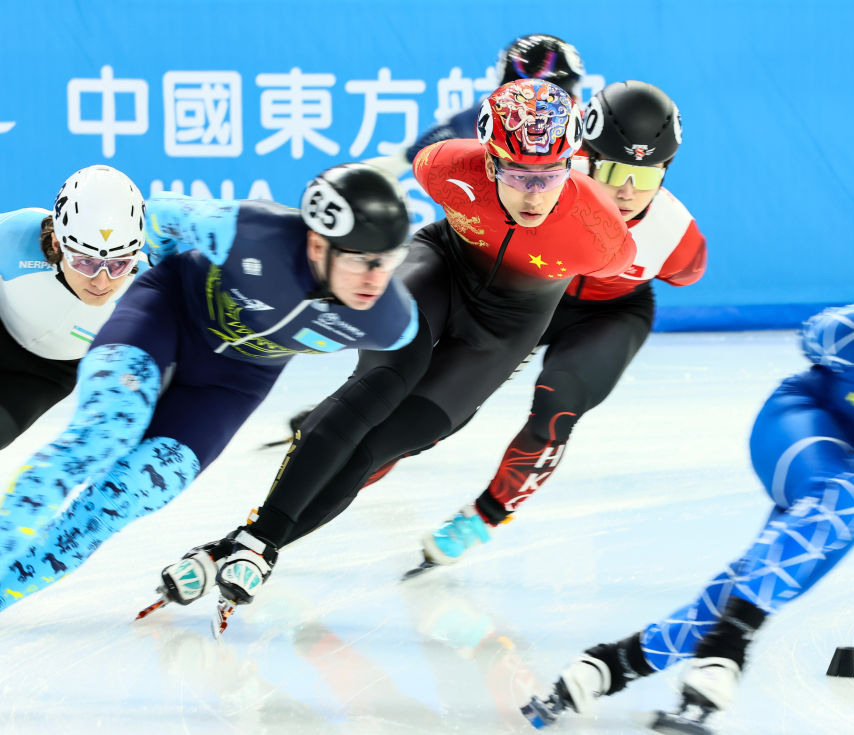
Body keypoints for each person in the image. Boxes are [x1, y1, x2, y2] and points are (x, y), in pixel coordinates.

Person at [151, 78, 638, 634]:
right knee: (383, 380)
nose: (533, 194)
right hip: (440, 270)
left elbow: (624, 285)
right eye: (516, 175)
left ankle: (245, 544)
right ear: (488, 160)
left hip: (504, 329)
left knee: (383, 444)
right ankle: (259, 542)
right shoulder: (446, 167)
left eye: (550, 175)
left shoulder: (602, 233)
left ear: (572, 163)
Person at [520, 262, 854, 733]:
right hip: (803, 424)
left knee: (767, 580)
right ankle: (725, 652)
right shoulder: (849, 337)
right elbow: (813, 336)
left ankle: (609, 666)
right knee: (839, 499)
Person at [0, 163, 418, 610]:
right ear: (318, 245)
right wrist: (153, 281)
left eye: (387, 260)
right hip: (165, 313)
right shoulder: (249, 230)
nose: (376, 279)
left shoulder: (392, 322)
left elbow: (404, 379)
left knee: (130, 495)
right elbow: (159, 214)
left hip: (232, 382)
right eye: (360, 260)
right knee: (102, 434)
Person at [419, 80, 706, 568]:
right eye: (613, 170)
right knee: (443, 403)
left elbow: (686, 272)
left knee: (557, 406)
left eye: (646, 176)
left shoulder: (675, 234)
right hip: (531, 300)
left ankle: (484, 517)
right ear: (584, 157)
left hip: (611, 314)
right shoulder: (540, 180)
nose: (628, 190)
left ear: (666, 171)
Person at [0, 165, 145, 449]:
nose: (101, 282)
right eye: (85, 262)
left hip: (43, 376)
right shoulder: (14, 235)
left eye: (119, 264)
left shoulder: (146, 286)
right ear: (57, 243)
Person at [367, 33, 587, 179]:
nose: (538, 125)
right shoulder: (485, 119)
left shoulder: (593, 132)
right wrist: (397, 163)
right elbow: (428, 145)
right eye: (525, 107)